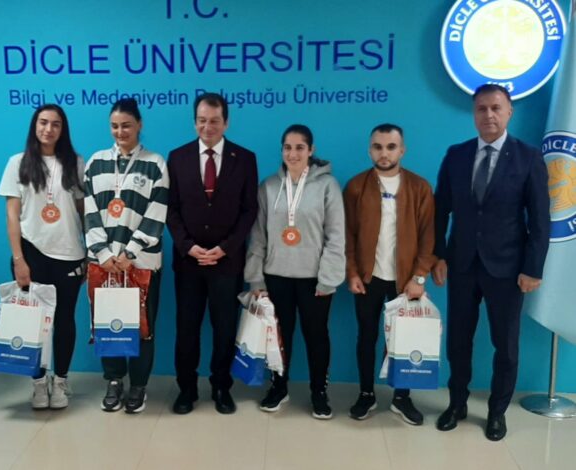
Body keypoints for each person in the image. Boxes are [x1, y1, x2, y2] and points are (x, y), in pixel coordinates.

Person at [433, 84, 549, 441]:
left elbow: (540, 219)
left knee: (506, 346)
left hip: (509, 269)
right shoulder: (456, 155)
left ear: (509, 111)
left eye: (496, 108)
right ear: (474, 113)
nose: (489, 115)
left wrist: (533, 268)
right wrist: (438, 254)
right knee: (458, 342)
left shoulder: (528, 158)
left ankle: (497, 412)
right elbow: (440, 210)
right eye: (481, 109)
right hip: (462, 264)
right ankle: (457, 404)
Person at [245, 124, 345, 418]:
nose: (293, 154)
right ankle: (279, 387)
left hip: (314, 279)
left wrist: (328, 279)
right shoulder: (268, 186)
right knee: (278, 337)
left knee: (317, 337)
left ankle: (319, 392)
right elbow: (258, 237)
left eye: (300, 147)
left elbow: (336, 236)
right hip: (276, 276)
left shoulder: (328, 186)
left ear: (311, 150)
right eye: (287, 148)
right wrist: (256, 278)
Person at [167, 92, 259, 415]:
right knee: (187, 329)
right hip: (188, 262)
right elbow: (171, 209)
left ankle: (221, 387)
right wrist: (187, 246)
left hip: (226, 263)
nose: (208, 127)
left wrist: (226, 247)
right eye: (202, 120)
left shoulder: (244, 158)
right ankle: (187, 389)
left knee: (224, 329)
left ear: (226, 122)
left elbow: (249, 210)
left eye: (215, 121)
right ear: (195, 122)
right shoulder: (177, 157)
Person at [343, 123, 437, 425]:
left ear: (402, 150)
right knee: (366, 337)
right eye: (378, 147)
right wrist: (352, 272)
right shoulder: (356, 187)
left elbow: (428, 237)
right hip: (368, 278)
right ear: (370, 149)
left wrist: (419, 277)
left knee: (403, 340)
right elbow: (347, 235)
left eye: (391, 147)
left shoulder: (420, 188)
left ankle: (401, 397)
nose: (384, 153)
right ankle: (366, 394)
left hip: (405, 281)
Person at [0, 104, 86, 409]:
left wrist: (93, 251)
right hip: (31, 253)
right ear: (35, 126)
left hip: (70, 253)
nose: (48, 129)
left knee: (65, 320)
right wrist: (18, 259)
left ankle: (60, 381)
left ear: (63, 129)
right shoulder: (17, 163)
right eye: (43, 122)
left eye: (55, 124)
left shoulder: (75, 162)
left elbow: (82, 211)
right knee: (32, 321)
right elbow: (12, 215)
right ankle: (37, 383)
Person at [84, 98, 169, 413]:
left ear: (139, 125)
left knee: (142, 327)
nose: (120, 132)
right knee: (110, 324)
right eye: (115, 126)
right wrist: (103, 253)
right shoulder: (95, 163)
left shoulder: (155, 164)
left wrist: (130, 252)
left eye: (127, 126)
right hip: (105, 263)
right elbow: (89, 211)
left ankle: (139, 385)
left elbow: (157, 212)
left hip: (141, 263)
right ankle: (114, 381)